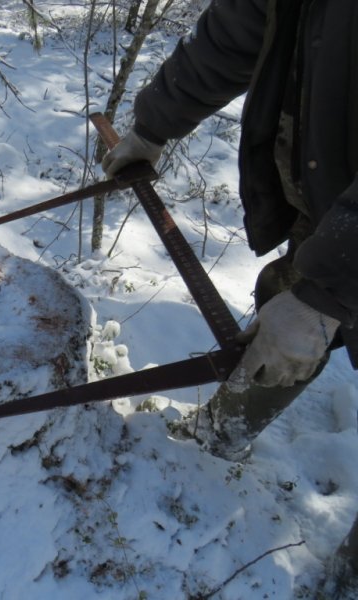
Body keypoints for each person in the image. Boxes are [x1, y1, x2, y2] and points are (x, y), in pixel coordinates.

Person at [100, 0, 358, 595]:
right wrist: (151, 125)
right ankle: (212, 442)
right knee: (285, 314)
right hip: (333, 206)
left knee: (304, 310)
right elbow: (237, 30)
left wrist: (330, 290)